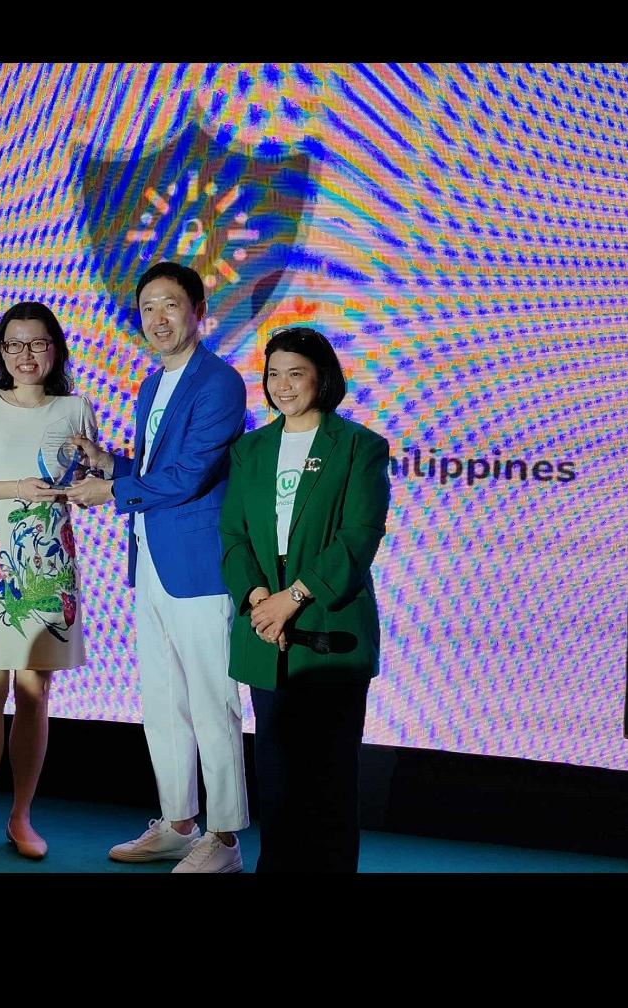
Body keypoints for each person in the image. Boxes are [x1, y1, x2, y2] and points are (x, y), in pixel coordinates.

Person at [68, 261, 249, 873]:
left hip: (198, 568)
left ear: (199, 312)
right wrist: (109, 464)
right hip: (149, 561)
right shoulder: (151, 384)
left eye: (171, 305)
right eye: (148, 308)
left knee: (213, 703)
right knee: (162, 701)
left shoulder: (218, 382)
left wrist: (112, 492)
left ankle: (224, 839)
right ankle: (177, 824)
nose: (158, 318)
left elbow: (189, 476)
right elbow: (154, 472)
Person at [219, 326, 390, 872]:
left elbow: (359, 536)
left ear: (323, 378)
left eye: (296, 373)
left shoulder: (360, 446)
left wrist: (291, 598)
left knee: (330, 776)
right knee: (277, 774)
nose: (283, 385)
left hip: (329, 629)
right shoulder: (249, 449)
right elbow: (233, 536)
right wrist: (259, 600)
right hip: (265, 631)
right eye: (274, 374)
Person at [0, 302, 97, 861]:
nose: (25, 355)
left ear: (56, 349)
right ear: (0, 351)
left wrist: (89, 482)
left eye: (37, 343)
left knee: (35, 694)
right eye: (14, 344)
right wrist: (16, 488)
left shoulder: (76, 408)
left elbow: (89, 485)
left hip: (48, 567)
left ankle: (21, 816)